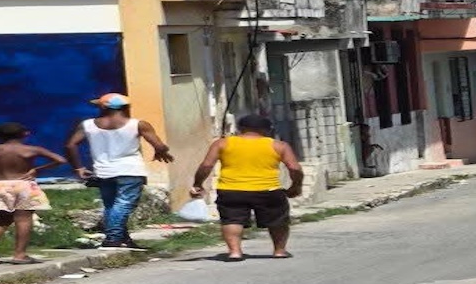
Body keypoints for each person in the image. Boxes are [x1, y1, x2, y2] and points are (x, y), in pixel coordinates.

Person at [64, 93, 173, 249]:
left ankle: (123, 239)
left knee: (111, 206)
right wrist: (161, 151)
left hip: (103, 172)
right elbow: (160, 146)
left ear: (103, 107)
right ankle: (113, 238)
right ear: (125, 107)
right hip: (131, 171)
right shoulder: (139, 125)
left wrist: (78, 167)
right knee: (123, 205)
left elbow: (70, 145)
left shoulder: (87, 125)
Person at [189, 115, 304, 262]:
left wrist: (198, 184)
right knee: (277, 220)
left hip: (231, 190)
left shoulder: (222, 143)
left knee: (232, 220)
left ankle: (235, 252)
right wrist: (296, 186)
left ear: (240, 128)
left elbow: (206, 165)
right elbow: (294, 168)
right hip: (268, 190)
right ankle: (279, 251)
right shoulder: (279, 145)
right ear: (266, 130)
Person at [0, 122, 67, 265]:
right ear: (25, 134)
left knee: (2, 218)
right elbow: (60, 160)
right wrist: (37, 169)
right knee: (23, 219)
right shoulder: (32, 149)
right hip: (23, 184)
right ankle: (19, 254)